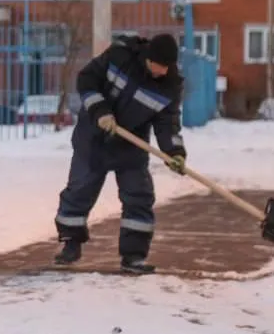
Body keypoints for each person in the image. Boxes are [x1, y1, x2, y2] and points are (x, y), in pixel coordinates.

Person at [52, 32, 187, 275]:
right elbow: (87, 80)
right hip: (94, 136)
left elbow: (168, 123)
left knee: (139, 196)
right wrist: (101, 112)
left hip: (131, 144)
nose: (162, 72)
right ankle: (70, 244)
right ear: (149, 58)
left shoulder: (170, 86)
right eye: (159, 66)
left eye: (168, 67)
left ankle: (133, 257)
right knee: (80, 190)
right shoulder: (120, 56)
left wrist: (174, 151)